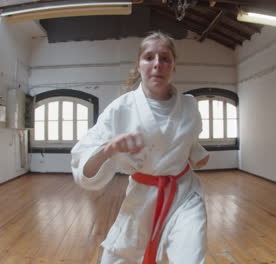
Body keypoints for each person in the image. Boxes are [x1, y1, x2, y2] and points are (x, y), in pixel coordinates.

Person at [71, 31, 210, 264]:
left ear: (173, 66)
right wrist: (109, 148)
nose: (157, 64)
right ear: (139, 65)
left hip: (185, 194)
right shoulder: (120, 109)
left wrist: (198, 154)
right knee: (116, 258)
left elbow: (188, 138)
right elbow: (83, 160)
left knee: (191, 255)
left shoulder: (189, 105)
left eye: (165, 58)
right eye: (149, 57)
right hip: (143, 196)